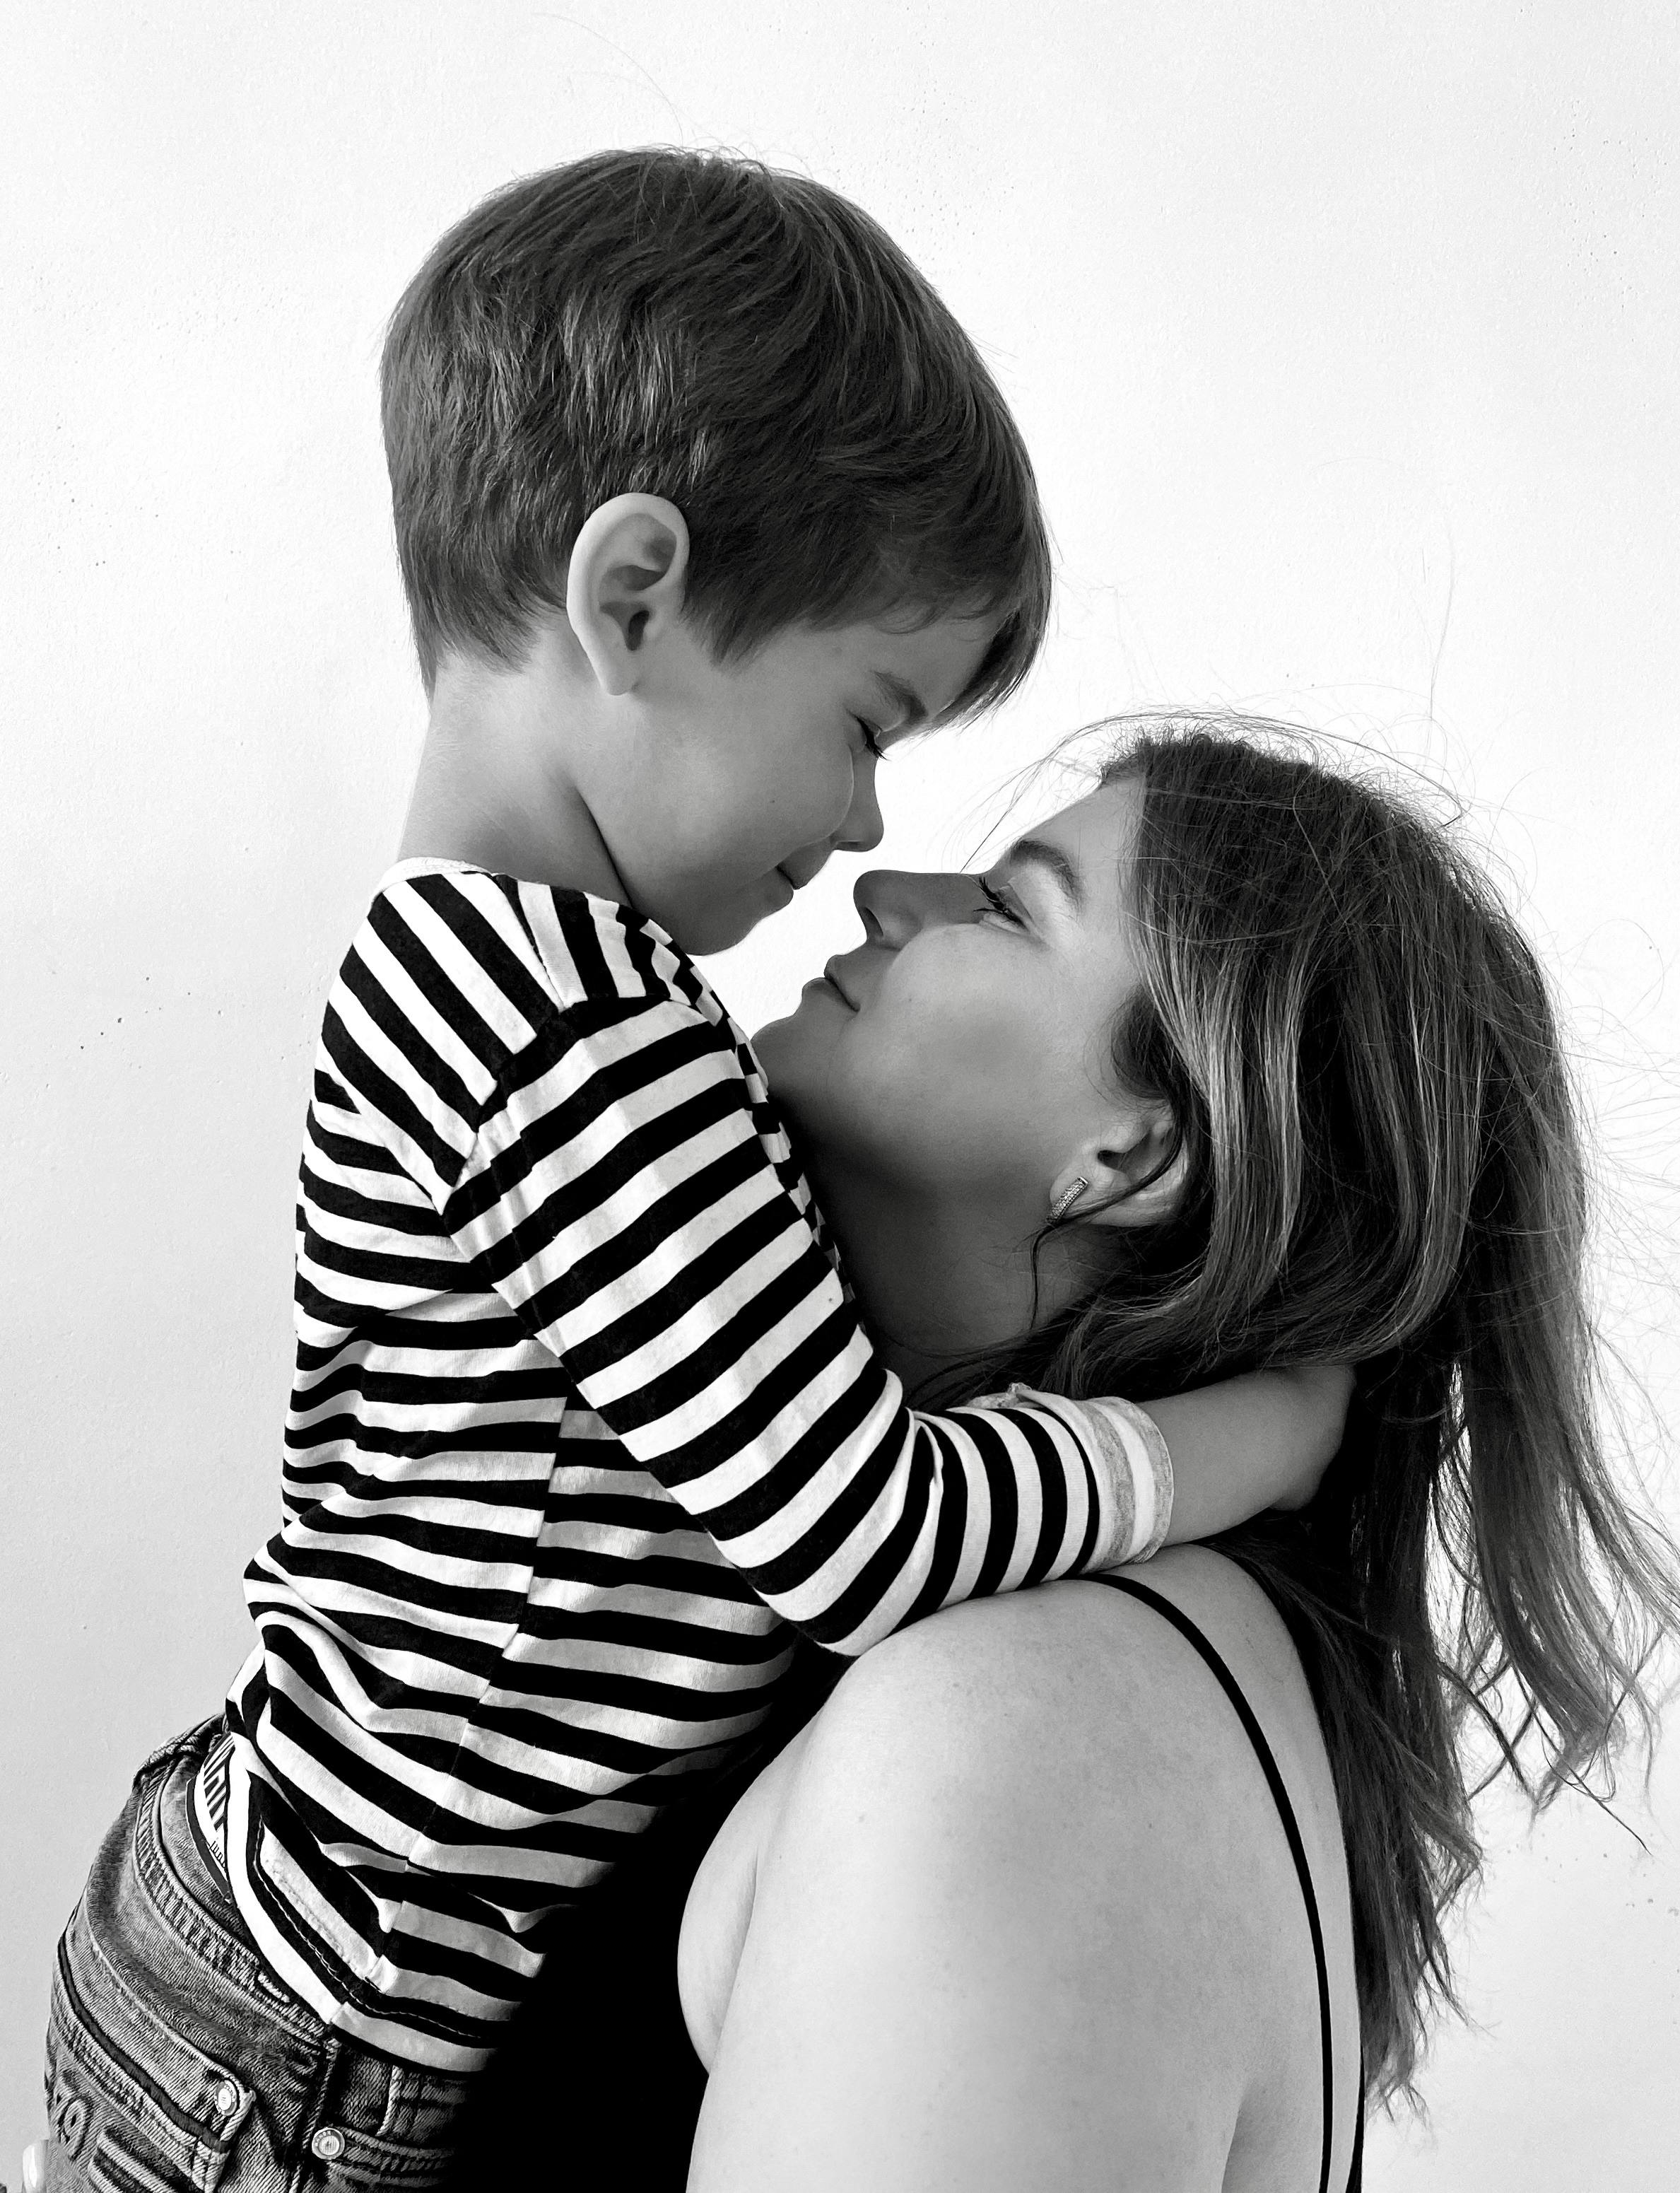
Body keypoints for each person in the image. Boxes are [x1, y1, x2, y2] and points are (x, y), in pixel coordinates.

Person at [32, 163, 1346, 2193]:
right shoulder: (564, 1039)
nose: (861, 821)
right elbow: (860, 1531)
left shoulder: (556, 1004)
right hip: (309, 2006)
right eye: (862, 719)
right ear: (629, 597)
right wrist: (1230, 1444)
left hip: (296, 1966)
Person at [443, 721, 1677, 2187]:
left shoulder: (1013, 1730)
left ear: (1132, 1158)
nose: (881, 888)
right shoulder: (1008, 1641)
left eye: (1006, 907)